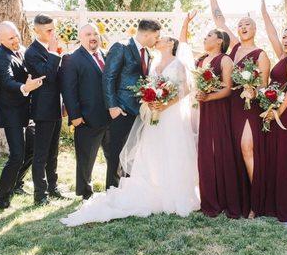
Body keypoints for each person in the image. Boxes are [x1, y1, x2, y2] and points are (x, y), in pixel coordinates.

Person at [61, 31, 199, 226]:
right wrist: (151, 100)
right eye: (157, 35)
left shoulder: (178, 64)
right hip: (153, 115)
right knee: (152, 151)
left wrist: (165, 104)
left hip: (171, 115)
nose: (158, 39)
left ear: (171, 44)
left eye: (163, 38)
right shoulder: (154, 62)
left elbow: (186, 90)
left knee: (172, 150)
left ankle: (173, 192)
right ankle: (153, 188)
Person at [210, 0, 270, 218]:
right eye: (240, 25)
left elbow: (264, 87)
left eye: (247, 24)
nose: (243, 27)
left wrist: (253, 91)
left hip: (250, 106)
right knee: (234, 151)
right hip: (231, 104)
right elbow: (219, 21)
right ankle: (236, 197)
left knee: (248, 148)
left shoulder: (261, 54)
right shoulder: (233, 48)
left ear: (255, 30)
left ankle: (257, 201)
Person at [181, 12, 242, 218]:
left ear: (219, 41)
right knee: (204, 153)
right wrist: (186, 23)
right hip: (201, 110)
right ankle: (208, 199)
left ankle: (225, 199)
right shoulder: (200, 61)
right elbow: (183, 46)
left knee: (219, 152)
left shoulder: (225, 60)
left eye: (209, 35)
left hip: (218, 110)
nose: (205, 38)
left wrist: (209, 96)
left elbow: (227, 89)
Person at [0, 21, 45, 209]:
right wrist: (25, 87)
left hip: (26, 111)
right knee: (16, 156)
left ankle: (16, 184)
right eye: (10, 38)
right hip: (11, 113)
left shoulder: (20, 50)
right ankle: (1, 198)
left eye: (16, 35)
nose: (15, 40)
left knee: (31, 150)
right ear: (1, 39)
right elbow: (5, 82)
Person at [102, 19, 161, 188]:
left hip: (139, 111)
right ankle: (112, 190)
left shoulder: (148, 53)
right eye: (156, 36)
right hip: (121, 109)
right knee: (116, 152)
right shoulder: (122, 47)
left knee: (132, 151)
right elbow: (108, 77)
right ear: (146, 34)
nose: (157, 40)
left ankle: (127, 188)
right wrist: (112, 106)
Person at [260, 0, 287, 222]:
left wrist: (277, 113)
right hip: (274, 110)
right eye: (285, 37)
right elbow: (272, 36)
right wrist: (264, 13)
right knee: (275, 156)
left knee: (284, 156)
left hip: (284, 113)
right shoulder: (284, 55)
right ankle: (273, 202)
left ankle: (285, 205)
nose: (286, 40)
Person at [61, 24, 111, 200]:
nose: (93, 37)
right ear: (81, 38)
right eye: (88, 34)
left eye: (96, 34)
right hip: (86, 118)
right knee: (86, 159)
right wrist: (75, 116)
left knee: (113, 156)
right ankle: (85, 192)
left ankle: (113, 189)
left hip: (109, 117)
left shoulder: (105, 55)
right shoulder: (72, 59)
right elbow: (68, 90)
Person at [25, 14, 64, 205]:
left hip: (56, 107)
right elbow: (47, 75)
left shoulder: (51, 49)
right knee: (41, 154)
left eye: (53, 29)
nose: (52, 33)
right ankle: (40, 195)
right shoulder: (31, 53)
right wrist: (54, 52)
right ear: (37, 31)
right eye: (48, 30)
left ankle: (53, 187)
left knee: (53, 152)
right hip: (42, 110)